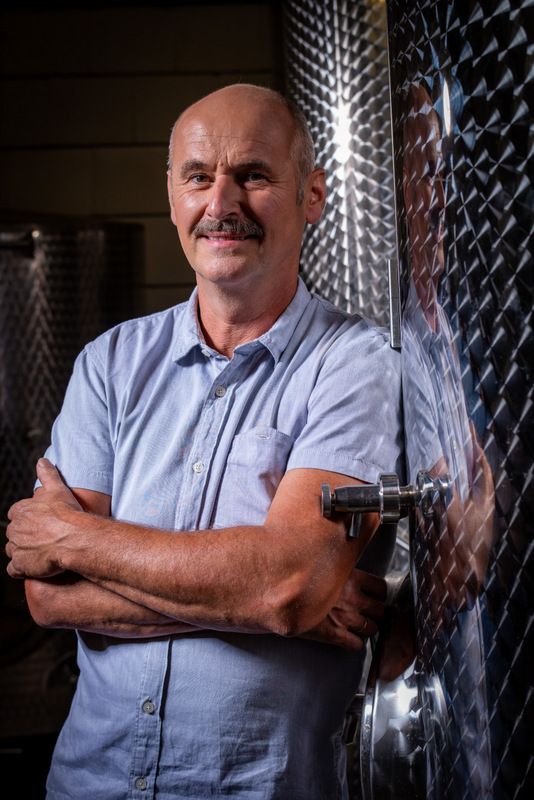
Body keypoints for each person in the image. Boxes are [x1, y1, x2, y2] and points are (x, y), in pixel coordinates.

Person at [5, 84, 403, 800]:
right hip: (87, 785)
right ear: (171, 194)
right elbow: (48, 596)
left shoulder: (356, 363)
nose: (221, 203)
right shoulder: (110, 363)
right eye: (198, 177)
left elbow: (285, 585)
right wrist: (277, 609)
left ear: (312, 196)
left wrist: (76, 539)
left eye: (253, 174)